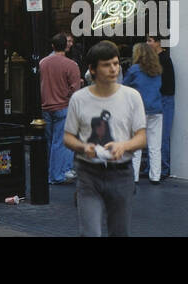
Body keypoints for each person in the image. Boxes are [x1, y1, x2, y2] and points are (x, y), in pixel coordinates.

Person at [63, 40, 147, 237]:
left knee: (120, 232)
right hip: (88, 174)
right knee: (90, 232)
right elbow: (67, 137)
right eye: (106, 64)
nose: (113, 69)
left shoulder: (132, 96)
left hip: (121, 173)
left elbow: (142, 137)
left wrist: (123, 145)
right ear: (92, 69)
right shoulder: (79, 99)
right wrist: (84, 147)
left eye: (116, 63)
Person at [39, 32, 82, 185]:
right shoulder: (71, 65)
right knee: (59, 142)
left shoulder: (43, 62)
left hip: (46, 106)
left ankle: (52, 171)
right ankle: (56, 175)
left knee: (51, 142)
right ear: (66, 46)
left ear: (52, 46)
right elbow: (75, 90)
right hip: (63, 106)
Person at [123, 42, 164, 185]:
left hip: (139, 110)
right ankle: (155, 176)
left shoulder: (134, 70)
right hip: (157, 109)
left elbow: (124, 87)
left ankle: (134, 177)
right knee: (155, 146)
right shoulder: (157, 70)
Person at [147, 35, 175, 177]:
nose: (148, 43)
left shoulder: (163, 59)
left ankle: (163, 168)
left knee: (162, 135)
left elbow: (163, 84)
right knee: (155, 135)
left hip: (164, 99)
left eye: (150, 40)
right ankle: (154, 168)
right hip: (160, 99)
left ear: (157, 42)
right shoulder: (160, 59)